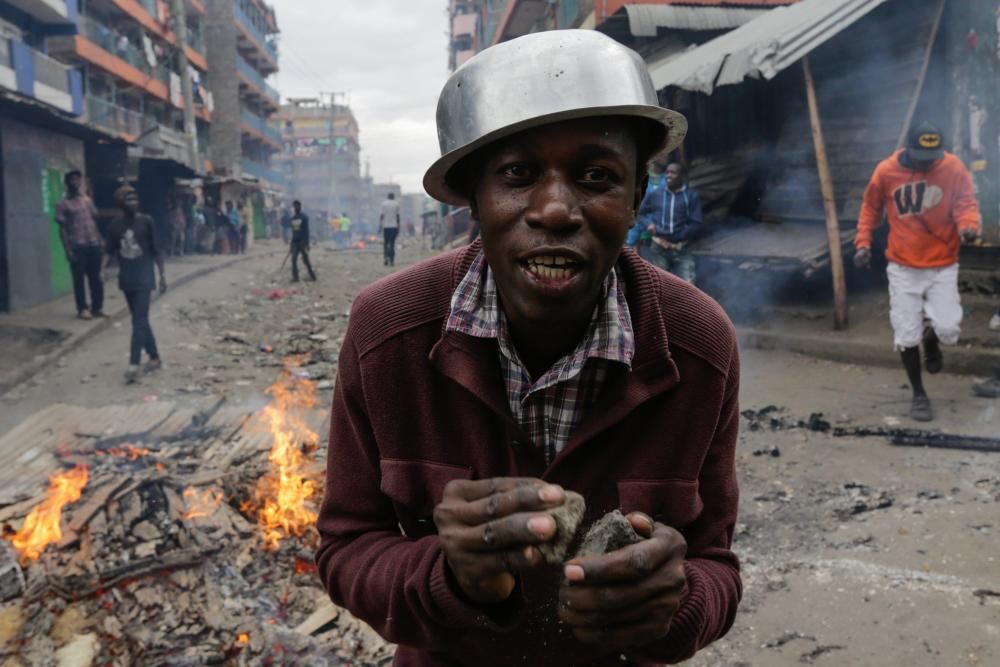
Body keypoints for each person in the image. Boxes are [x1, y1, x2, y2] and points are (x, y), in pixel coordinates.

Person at [316, 30, 739, 666]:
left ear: (636, 197)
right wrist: (451, 576)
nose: (554, 209)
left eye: (597, 175)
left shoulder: (700, 344)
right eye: (517, 174)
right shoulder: (387, 334)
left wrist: (675, 605)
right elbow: (345, 548)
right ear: (473, 199)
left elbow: (716, 564)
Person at [855, 122, 981, 422]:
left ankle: (933, 339)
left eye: (933, 156)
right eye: (922, 157)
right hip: (903, 266)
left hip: (943, 263)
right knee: (906, 334)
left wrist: (968, 226)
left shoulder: (952, 166)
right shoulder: (886, 171)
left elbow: (966, 202)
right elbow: (870, 208)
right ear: (907, 149)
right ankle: (919, 394)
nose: (928, 163)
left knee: (949, 330)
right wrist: (863, 243)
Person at [103, 186, 166, 384]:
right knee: (141, 320)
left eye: (135, 199)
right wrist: (101, 268)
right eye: (128, 200)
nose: (133, 202)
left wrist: (162, 275)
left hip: (145, 278)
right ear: (120, 203)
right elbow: (109, 250)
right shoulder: (115, 225)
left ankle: (134, 363)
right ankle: (154, 357)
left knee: (138, 321)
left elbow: (156, 250)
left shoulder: (146, 221)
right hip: (127, 279)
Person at [635, 160, 703, 283]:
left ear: (682, 176)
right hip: (658, 248)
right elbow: (640, 213)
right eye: (667, 172)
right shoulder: (656, 194)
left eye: (673, 172)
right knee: (659, 284)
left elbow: (696, 224)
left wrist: (677, 237)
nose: (668, 175)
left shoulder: (691, 196)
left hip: (681, 248)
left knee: (688, 286)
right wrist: (648, 224)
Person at [56, 170, 105, 319]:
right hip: (77, 246)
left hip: (93, 243)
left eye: (78, 179)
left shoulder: (86, 200)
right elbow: (62, 229)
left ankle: (97, 308)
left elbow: (94, 219)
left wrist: (100, 240)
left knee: (95, 278)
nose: (75, 182)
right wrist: (68, 250)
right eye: (72, 180)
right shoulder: (63, 204)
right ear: (67, 183)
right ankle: (82, 308)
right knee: (78, 279)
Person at [289, 200, 316, 282]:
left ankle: (312, 276)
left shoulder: (304, 217)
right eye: (294, 206)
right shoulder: (293, 218)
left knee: (305, 260)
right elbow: (293, 231)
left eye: (297, 206)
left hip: (302, 242)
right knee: (293, 260)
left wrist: (307, 243)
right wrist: (291, 245)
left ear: (300, 207)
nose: (296, 207)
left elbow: (307, 231)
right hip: (295, 242)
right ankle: (295, 277)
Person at [378, 192, 400, 266]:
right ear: (393, 197)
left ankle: (385, 258)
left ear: (388, 197)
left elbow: (382, 216)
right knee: (392, 243)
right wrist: (398, 226)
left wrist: (380, 226)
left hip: (386, 227)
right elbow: (397, 216)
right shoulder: (396, 204)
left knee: (386, 243)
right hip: (393, 227)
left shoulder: (384, 204)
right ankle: (392, 260)